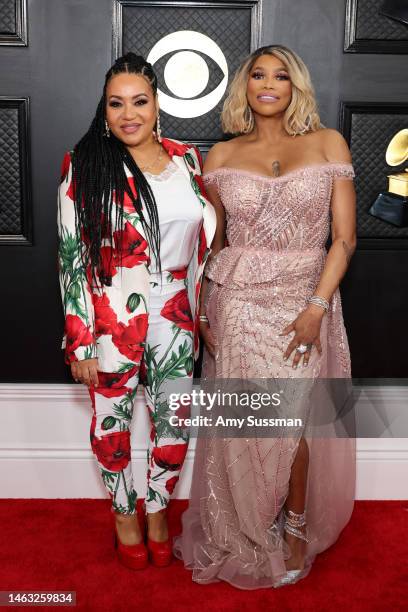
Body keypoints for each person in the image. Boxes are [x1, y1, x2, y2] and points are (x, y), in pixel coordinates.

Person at [173, 45, 357, 588]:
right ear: (245, 86)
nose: (269, 84)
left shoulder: (328, 144)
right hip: (236, 302)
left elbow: (344, 239)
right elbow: (213, 242)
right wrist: (202, 305)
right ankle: (250, 526)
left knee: (292, 421)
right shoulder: (222, 157)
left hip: (303, 297)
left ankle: (295, 526)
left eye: (281, 75)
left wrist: (316, 307)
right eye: (258, 75)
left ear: (295, 85)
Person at [57, 52, 216, 570]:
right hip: (108, 317)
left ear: (156, 105)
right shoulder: (85, 164)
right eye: (116, 104)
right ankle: (125, 512)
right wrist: (79, 340)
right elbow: (71, 255)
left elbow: (200, 248)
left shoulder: (187, 159)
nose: (129, 114)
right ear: (103, 111)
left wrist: (203, 312)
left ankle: (158, 509)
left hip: (176, 313)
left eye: (139, 102)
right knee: (112, 425)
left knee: (175, 420)